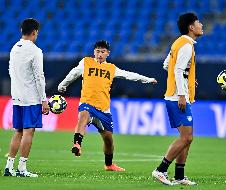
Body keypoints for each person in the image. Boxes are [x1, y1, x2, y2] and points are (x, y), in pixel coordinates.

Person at [58, 40, 157, 172]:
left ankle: (109, 165)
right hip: (87, 103)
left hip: (104, 109)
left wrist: (148, 79)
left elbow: (129, 75)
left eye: (102, 52)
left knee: (108, 140)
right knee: (83, 116)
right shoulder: (86, 62)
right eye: (97, 51)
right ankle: (77, 144)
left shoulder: (111, 68)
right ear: (94, 52)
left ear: (107, 53)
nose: (99, 54)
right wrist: (63, 85)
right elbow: (73, 73)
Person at [152, 12, 203, 186]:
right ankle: (161, 170)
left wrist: (187, 78)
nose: (201, 25)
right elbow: (178, 70)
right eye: (198, 22)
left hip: (176, 95)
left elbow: (168, 65)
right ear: (191, 27)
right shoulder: (187, 45)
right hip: (177, 97)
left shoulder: (178, 43)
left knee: (187, 137)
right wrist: (181, 93)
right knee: (186, 138)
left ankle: (180, 175)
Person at [3, 18, 50, 177]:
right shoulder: (35, 51)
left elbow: (10, 72)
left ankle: (9, 167)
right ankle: (22, 168)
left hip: (17, 96)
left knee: (18, 131)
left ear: (21, 31)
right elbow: (39, 76)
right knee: (28, 132)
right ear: (35, 32)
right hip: (31, 98)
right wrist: (44, 99)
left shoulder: (14, 48)